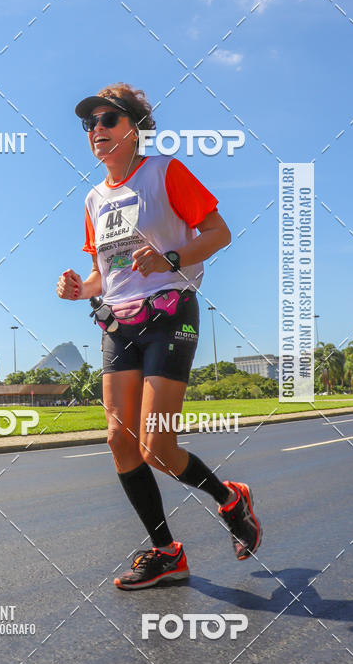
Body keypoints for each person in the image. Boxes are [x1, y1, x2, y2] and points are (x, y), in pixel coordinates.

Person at [56, 83, 262, 590]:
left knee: (156, 446)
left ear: (135, 128)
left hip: (171, 315)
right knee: (119, 443)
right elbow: (106, 272)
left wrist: (171, 258)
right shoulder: (93, 198)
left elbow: (218, 233)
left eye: (108, 120)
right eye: (89, 124)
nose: (97, 131)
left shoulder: (165, 172)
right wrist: (81, 288)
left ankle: (229, 498)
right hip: (118, 322)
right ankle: (166, 552)